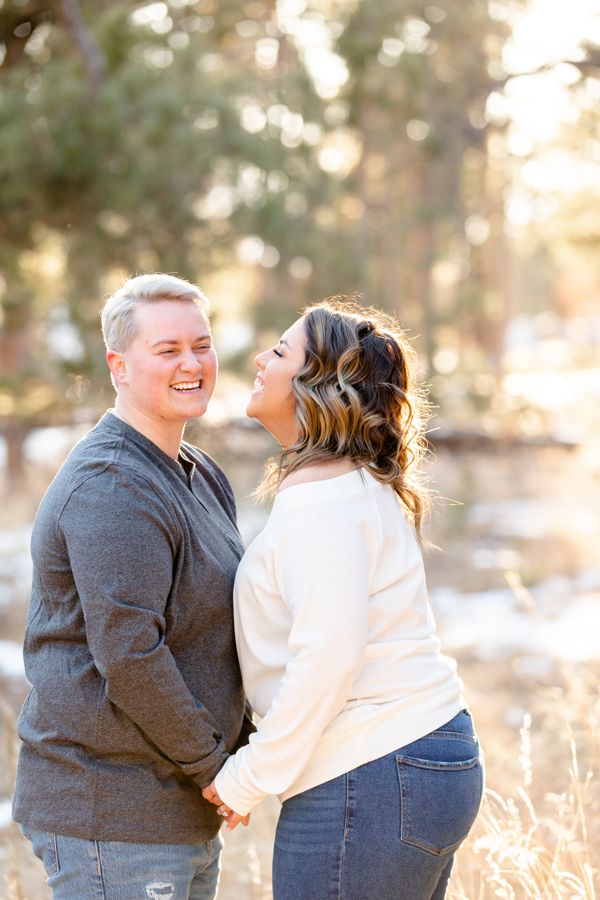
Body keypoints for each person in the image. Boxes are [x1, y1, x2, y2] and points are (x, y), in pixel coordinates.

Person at [203, 299, 484, 900]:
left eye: (279, 352)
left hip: (371, 771)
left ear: (318, 385)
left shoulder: (323, 502)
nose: (259, 359)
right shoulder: (350, 483)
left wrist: (249, 777)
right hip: (416, 759)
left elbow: (328, 656)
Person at [13, 273, 254, 900]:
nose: (192, 364)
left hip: (178, 807)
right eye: (167, 350)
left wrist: (244, 757)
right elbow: (130, 653)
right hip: (112, 811)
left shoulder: (196, 471)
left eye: (201, 345)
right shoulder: (114, 484)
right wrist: (216, 769)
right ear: (119, 365)